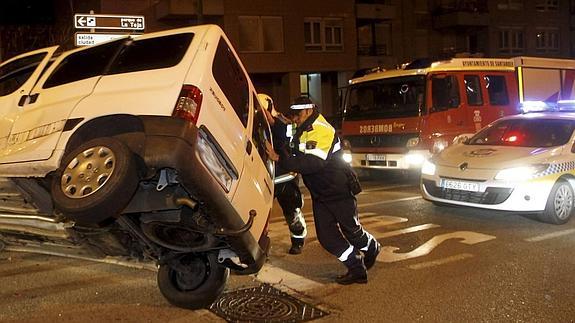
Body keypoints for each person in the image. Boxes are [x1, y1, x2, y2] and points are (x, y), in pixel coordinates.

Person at [265, 96, 381, 285]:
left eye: (298, 115)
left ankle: (371, 247)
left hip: (338, 189)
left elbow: (313, 163)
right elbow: (287, 137)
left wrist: (279, 159)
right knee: (327, 238)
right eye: (292, 116)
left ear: (309, 110)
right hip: (320, 193)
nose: (295, 119)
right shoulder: (301, 126)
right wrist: (272, 123)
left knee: (352, 232)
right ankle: (356, 267)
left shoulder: (322, 130)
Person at [258, 93, 307, 255]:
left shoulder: (284, 124)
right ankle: (257, 245)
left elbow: (287, 140)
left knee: (292, 212)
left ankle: (298, 241)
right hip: (267, 177)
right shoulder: (258, 125)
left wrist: (271, 121)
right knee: (259, 213)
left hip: (286, 176)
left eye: (263, 111)